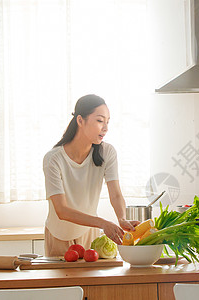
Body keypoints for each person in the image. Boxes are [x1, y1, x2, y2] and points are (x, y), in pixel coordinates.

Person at [43, 94, 140, 256]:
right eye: (100, 121)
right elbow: (62, 210)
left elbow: (115, 193)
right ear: (80, 121)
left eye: (108, 122)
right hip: (59, 235)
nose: (106, 128)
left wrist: (122, 219)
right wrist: (103, 223)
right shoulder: (53, 159)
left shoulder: (107, 152)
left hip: (90, 232)